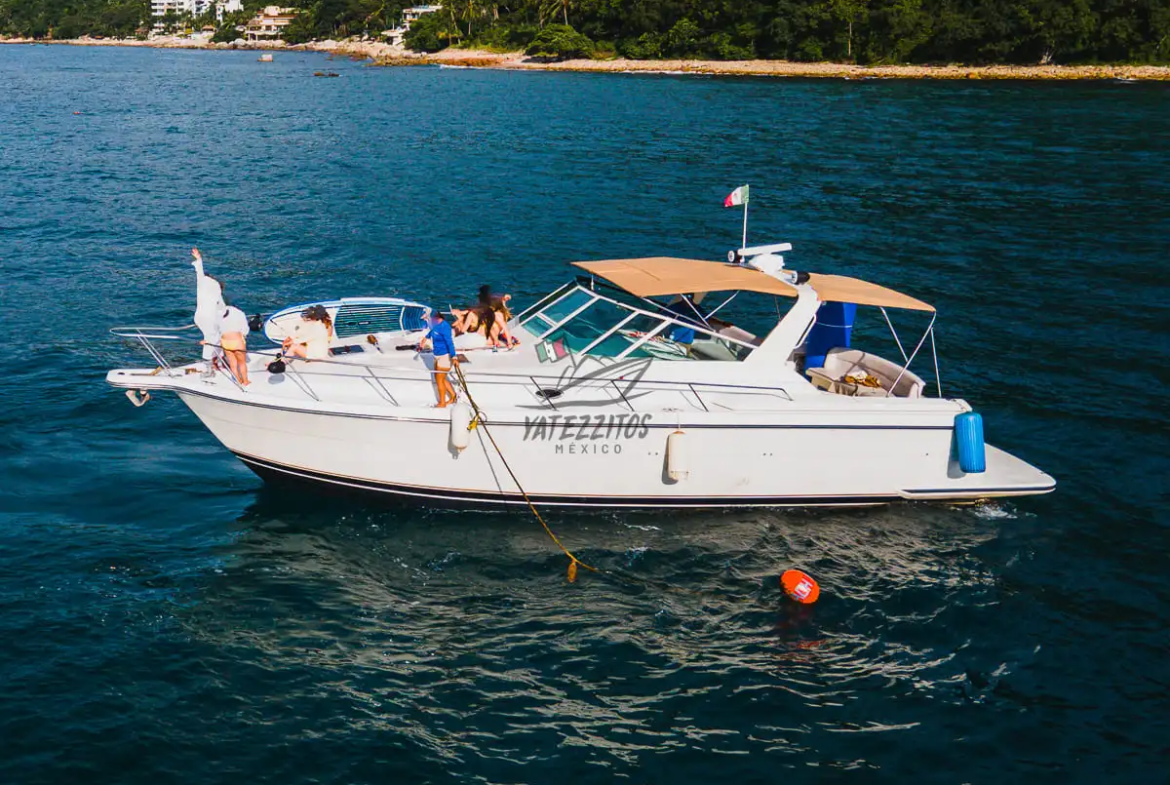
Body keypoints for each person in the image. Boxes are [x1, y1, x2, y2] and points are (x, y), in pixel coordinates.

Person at [191, 248, 225, 375]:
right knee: (214, 339)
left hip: (199, 317)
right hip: (210, 318)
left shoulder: (202, 282)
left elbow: (199, 272)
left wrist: (198, 258)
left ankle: (214, 363)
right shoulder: (215, 288)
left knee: (212, 338)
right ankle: (210, 366)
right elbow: (221, 307)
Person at [418, 310, 457, 408]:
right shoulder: (435, 325)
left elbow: (450, 343)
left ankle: (442, 403)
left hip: (445, 356)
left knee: (439, 380)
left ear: (438, 318)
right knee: (441, 378)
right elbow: (432, 332)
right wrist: (425, 338)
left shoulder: (445, 327)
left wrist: (454, 357)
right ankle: (453, 396)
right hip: (437, 355)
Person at [219, 303, 251, 385]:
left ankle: (238, 380)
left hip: (225, 341)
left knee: (233, 364)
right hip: (237, 341)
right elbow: (245, 331)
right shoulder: (240, 313)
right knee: (242, 363)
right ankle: (246, 381)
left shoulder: (218, 313)